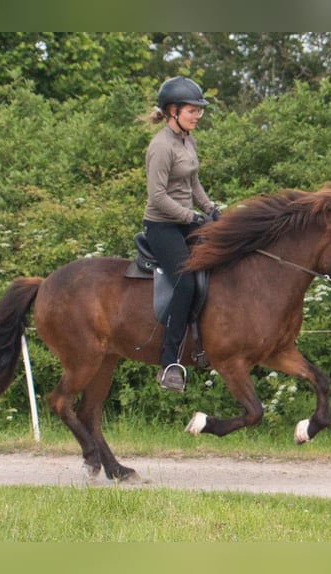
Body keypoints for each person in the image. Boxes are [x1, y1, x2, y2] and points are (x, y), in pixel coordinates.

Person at [140, 77, 220, 392]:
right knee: (185, 282)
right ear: (173, 111)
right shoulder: (160, 147)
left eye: (199, 110)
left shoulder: (188, 140)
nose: (198, 115)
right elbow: (157, 197)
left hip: (187, 219)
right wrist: (192, 216)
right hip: (161, 225)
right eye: (192, 110)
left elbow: (193, 184)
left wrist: (211, 209)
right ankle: (170, 362)